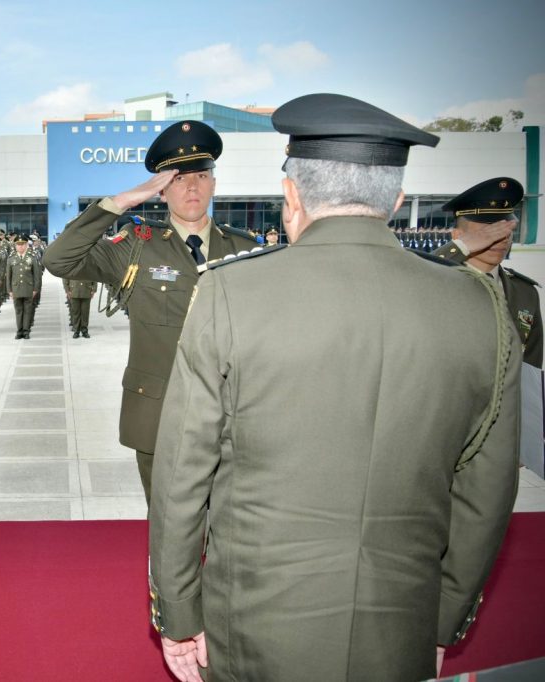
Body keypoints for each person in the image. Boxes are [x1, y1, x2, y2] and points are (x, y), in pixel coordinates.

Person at [148, 94, 521, 682]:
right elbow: (487, 491)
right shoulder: (483, 310)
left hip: (254, 621)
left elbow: (180, 476)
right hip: (402, 620)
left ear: (292, 197)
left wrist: (177, 612)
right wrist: (442, 621)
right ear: (396, 201)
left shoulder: (230, 294)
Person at [42, 120, 260, 504]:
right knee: (167, 525)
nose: (191, 186)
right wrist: (120, 202)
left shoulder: (245, 250)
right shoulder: (137, 246)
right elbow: (58, 260)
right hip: (160, 414)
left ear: (213, 183)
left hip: (233, 415)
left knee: (229, 527)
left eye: (200, 176)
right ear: (160, 190)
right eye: (177, 179)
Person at [432, 177, 541, 367]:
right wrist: (458, 248)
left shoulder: (525, 292)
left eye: (505, 231)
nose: (501, 240)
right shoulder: (438, 281)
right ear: (458, 236)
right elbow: (413, 272)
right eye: (489, 232)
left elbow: (529, 369)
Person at [6, 235, 42, 339]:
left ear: (26, 245)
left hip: (28, 289)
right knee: (18, 310)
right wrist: (9, 290)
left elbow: (36, 275)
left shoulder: (32, 258)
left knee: (27, 310)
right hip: (16, 289)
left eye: (23, 245)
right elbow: (8, 276)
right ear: (15, 246)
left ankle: (26, 331)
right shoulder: (11, 259)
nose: (20, 247)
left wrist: (35, 289)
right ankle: (19, 330)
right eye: (18, 245)